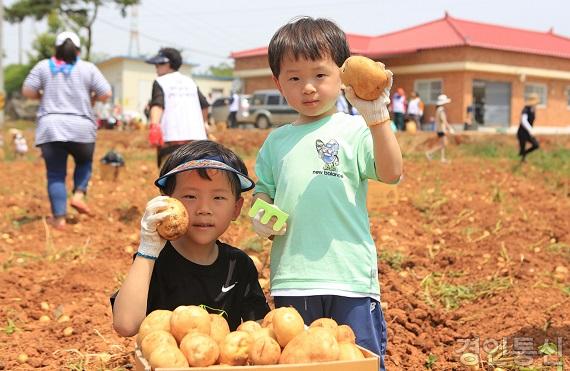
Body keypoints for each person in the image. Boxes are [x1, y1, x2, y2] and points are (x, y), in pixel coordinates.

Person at [251, 17, 402, 371]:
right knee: (298, 362)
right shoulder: (276, 142)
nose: (308, 88)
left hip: (350, 276)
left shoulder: (354, 128)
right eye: (294, 78)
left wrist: (377, 117)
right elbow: (264, 193)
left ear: (341, 76)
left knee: (357, 361)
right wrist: (262, 215)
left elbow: (392, 172)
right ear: (278, 83)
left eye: (319, 75)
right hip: (293, 276)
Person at [112, 140, 270, 336]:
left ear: (236, 208)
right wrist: (147, 251)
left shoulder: (238, 265)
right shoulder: (155, 262)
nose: (204, 209)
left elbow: (260, 328)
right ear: (167, 202)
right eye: (190, 196)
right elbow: (125, 325)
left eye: (218, 198)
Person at [22, 31, 112, 230]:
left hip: (51, 127)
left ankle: (59, 219)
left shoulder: (44, 66)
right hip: (81, 128)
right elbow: (106, 93)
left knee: (55, 174)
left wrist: (42, 96)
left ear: (56, 48)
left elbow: (27, 90)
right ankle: (79, 195)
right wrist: (93, 98)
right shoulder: (88, 68)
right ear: (78, 50)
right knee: (84, 163)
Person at [146, 48, 210, 168]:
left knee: (170, 182)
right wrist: (205, 123)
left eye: (159, 64)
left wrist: (154, 126)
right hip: (197, 143)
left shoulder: (160, 81)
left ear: (168, 64)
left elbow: (158, 105)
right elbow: (204, 105)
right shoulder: (189, 82)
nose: (156, 67)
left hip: (172, 142)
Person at [425, 94, 455, 163]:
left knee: (442, 143)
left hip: (439, 129)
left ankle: (442, 158)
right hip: (442, 129)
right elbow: (444, 120)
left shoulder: (438, 109)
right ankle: (429, 153)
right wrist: (450, 128)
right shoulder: (441, 110)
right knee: (443, 144)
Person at [517, 93, 540, 163]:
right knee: (522, 148)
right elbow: (523, 121)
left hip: (528, 132)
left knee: (536, 145)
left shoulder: (532, 109)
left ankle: (523, 154)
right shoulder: (526, 109)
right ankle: (523, 158)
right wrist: (531, 129)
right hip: (522, 133)